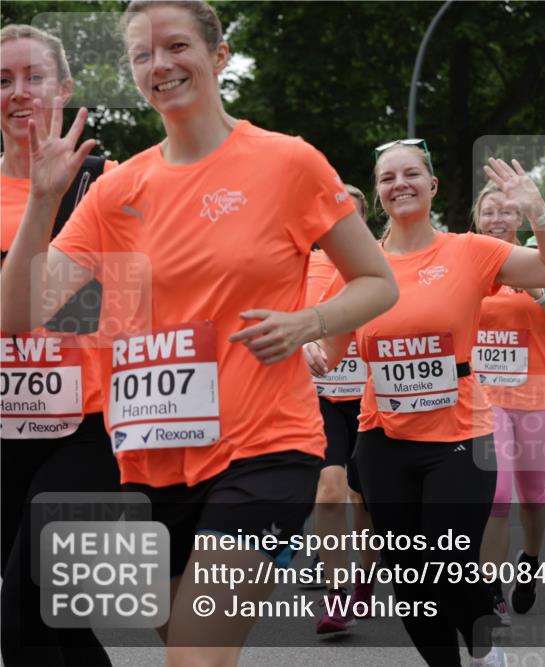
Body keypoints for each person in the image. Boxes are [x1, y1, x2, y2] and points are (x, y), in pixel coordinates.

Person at [0, 3, 398, 666]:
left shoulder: (289, 164)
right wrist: (43, 199)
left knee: (193, 657)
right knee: (168, 643)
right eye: (141, 55)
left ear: (218, 55)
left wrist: (309, 321)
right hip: (148, 463)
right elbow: (18, 315)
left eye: (176, 45)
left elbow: (376, 281)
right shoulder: (114, 191)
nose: (160, 65)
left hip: (265, 450)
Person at [315, 146, 545, 667]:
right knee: (409, 579)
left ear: (433, 185)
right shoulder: (360, 266)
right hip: (383, 438)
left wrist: (536, 210)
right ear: (379, 191)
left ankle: (484, 650)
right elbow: (332, 351)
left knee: (448, 561)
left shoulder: (470, 250)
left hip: (459, 434)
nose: (399, 183)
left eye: (412, 173)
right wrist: (305, 350)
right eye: (388, 177)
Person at [0, 24, 122, 667]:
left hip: (91, 433)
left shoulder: (113, 187)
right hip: (3, 437)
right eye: (2, 80)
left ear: (66, 88)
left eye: (34, 77)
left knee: (21, 616)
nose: (18, 93)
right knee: (61, 625)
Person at [470, 181, 545, 624]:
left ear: (520, 219)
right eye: (489, 211)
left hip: (536, 400)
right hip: (482, 400)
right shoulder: (463, 264)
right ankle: (489, 589)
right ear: (476, 218)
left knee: (532, 495)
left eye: (507, 211)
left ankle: (530, 561)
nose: (498, 218)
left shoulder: (541, 264)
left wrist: (540, 291)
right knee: (496, 495)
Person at [300, 185, 379, 634]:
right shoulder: (304, 263)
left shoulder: (377, 265)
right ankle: (335, 594)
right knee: (329, 490)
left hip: (371, 396)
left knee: (364, 500)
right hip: (321, 395)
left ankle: (363, 583)